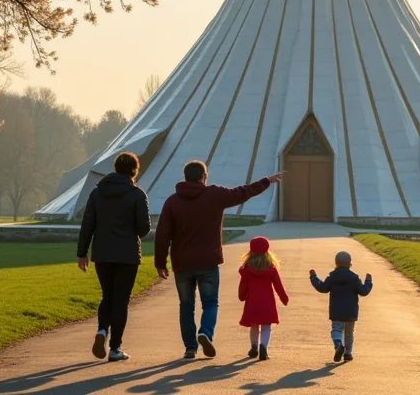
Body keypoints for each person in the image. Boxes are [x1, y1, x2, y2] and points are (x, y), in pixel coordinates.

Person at [154, 160, 285, 359]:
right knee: (210, 303)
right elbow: (243, 192)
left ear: (185, 177)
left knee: (186, 306)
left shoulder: (173, 201)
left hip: (182, 263)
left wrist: (160, 263)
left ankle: (190, 348)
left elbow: (163, 233)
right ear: (204, 176)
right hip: (208, 261)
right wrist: (266, 181)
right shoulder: (214, 195)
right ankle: (205, 333)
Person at [76, 152, 150, 362]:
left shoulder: (97, 193)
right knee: (121, 300)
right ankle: (115, 348)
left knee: (107, 295)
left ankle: (101, 331)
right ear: (134, 170)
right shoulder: (137, 194)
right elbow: (143, 228)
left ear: (115, 168)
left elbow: (87, 225)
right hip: (127, 254)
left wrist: (82, 253)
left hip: (103, 253)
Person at [309, 250, 373, 363]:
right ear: (350, 264)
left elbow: (322, 288)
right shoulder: (354, 278)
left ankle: (338, 344)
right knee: (349, 334)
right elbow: (363, 291)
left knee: (336, 330)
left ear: (336, 264)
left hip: (336, 311)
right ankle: (348, 353)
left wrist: (314, 277)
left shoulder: (332, 277)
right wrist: (368, 281)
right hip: (351, 313)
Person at [237, 236, 289, 361]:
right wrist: (284, 298)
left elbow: (243, 287)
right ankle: (263, 346)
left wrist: (242, 296)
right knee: (266, 326)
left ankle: (254, 346)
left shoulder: (247, 270)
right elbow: (278, 286)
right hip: (268, 303)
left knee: (254, 325)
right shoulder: (271, 269)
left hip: (252, 303)